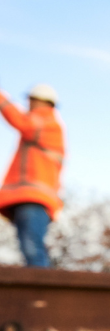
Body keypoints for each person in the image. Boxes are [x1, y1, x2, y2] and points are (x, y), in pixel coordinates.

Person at [0, 84, 65, 268]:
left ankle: (42, 285)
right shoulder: (44, 123)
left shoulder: (48, 123)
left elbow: (22, 122)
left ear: (42, 101)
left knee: (33, 250)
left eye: (31, 100)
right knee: (29, 248)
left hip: (35, 198)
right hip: (27, 198)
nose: (28, 103)